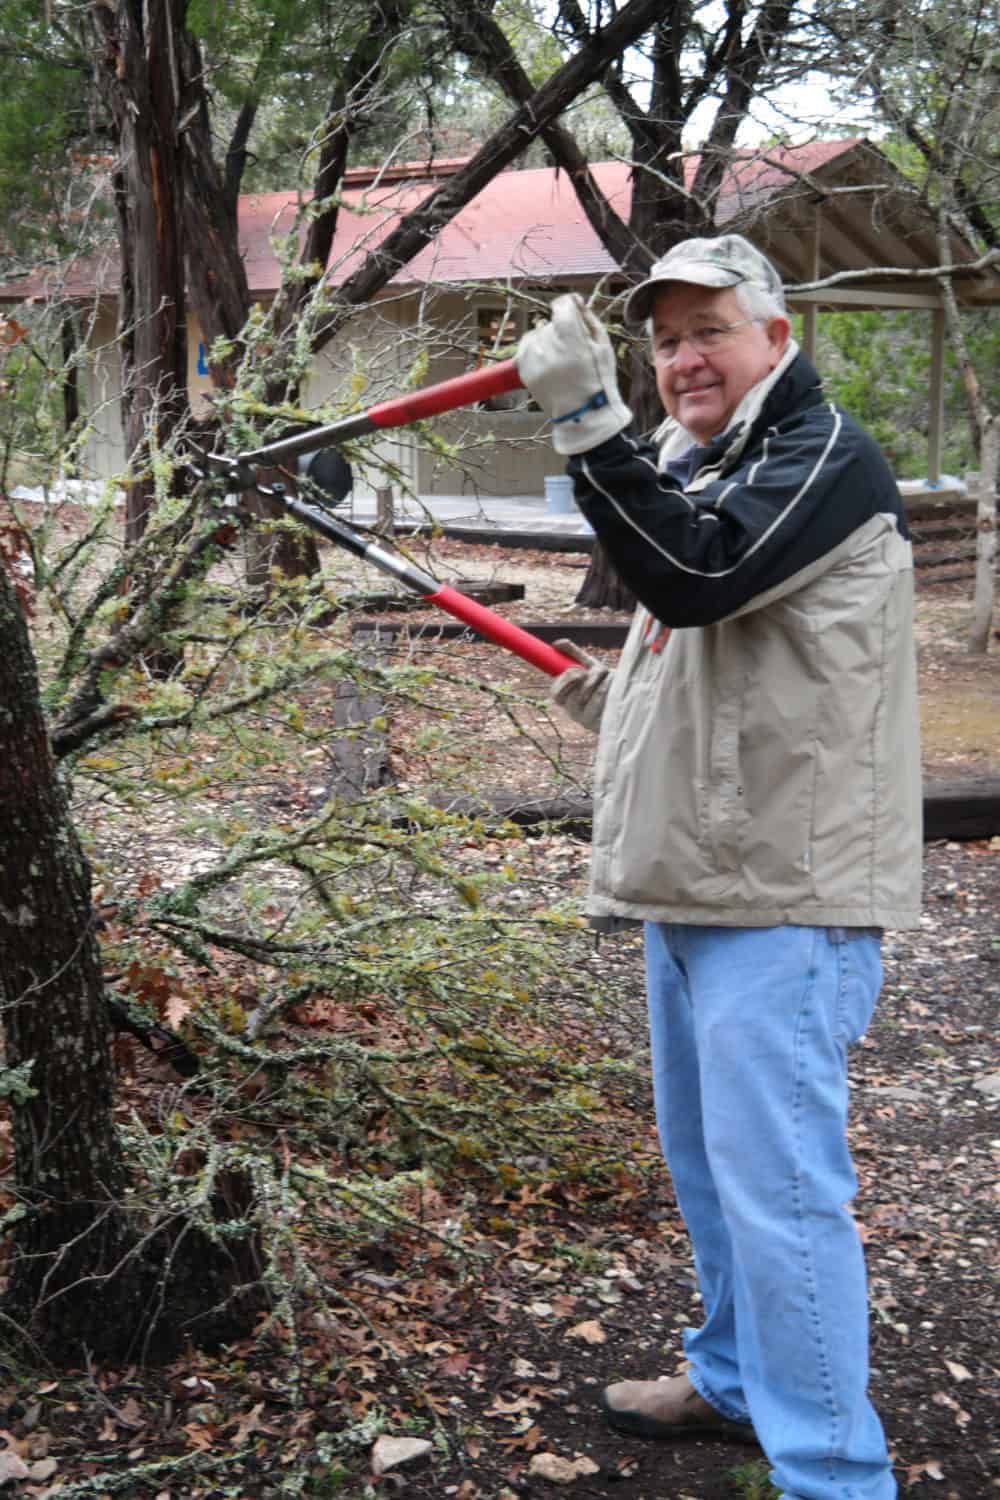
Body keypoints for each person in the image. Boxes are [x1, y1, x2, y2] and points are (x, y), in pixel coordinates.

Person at [514, 234, 921, 1500]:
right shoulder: (707, 462)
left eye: (710, 331)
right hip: (697, 878)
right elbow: (728, 644)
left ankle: (835, 1475)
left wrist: (587, 425)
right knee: (712, 1178)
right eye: (664, 341)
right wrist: (622, 710)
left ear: (776, 338)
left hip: (783, 895)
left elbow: (699, 575)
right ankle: (738, 1380)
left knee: (781, 1194)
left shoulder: (823, 455)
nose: (683, 359)